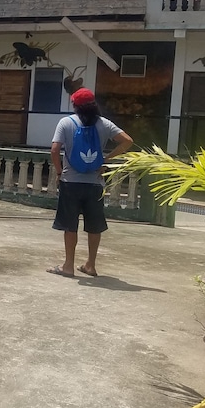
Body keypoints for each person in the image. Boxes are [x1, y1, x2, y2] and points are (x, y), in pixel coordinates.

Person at [47, 88, 133, 278]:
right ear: (94, 104)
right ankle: (90, 265)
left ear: (75, 106)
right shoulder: (104, 124)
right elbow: (127, 141)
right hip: (95, 184)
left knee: (70, 225)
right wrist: (106, 160)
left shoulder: (66, 122)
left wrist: (59, 172)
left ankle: (68, 266)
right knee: (94, 226)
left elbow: (54, 150)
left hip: (71, 182)